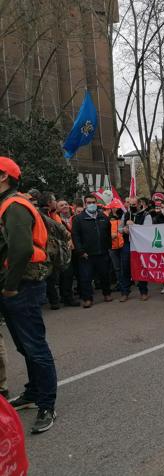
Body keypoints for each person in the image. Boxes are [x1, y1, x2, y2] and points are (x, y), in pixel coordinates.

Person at [0, 156, 58, 433]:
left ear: (3, 177)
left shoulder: (14, 206)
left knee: (35, 346)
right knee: (25, 346)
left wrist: (10, 286)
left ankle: (47, 404)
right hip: (17, 286)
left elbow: (22, 250)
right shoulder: (7, 205)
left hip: (22, 286)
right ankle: (34, 393)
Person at [71, 195, 112, 308]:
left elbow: (108, 233)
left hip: (102, 252)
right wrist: (80, 251)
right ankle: (87, 298)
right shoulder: (78, 219)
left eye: (93, 202)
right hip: (86, 254)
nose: (91, 204)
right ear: (85, 204)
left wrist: (108, 247)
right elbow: (75, 237)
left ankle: (107, 293)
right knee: (86, 277)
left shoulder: (103, 217)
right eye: (89, 202)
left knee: (105, 275)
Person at [120, 197, 153, 302]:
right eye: (130, 205)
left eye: (134, 205)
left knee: (140, 267)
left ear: (139, 204)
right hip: (127, 244)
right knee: (125, 267)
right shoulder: (126, 214)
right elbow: (119, 228)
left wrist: (134, 226)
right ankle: (125, 292)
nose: (132, 207)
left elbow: (148, 229)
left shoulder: (146, 215)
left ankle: (143, 291)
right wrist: (124, 229)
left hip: (140, 245)